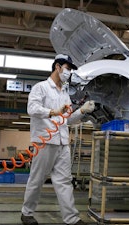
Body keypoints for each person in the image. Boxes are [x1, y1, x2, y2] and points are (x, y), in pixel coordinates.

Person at [21, 54, 95, 225]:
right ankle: (26, 213)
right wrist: (53, 111)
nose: (69, 72)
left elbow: (67, 120)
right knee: (37, 178)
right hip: (45, 141)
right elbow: (32, 108)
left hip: (63, 143)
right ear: (57, 67)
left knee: (64, 181)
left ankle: (71, 218)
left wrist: (82, 111)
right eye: (68, 68)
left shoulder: (65, 94)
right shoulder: (41, 88)